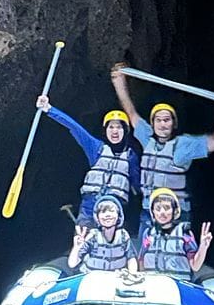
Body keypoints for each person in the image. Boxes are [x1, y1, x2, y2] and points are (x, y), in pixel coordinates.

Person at [109, 62, 214, 234]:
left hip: (176, 214)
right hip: (149, 211)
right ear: (152, 124)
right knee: (148, 257)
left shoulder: (183, 145)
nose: (162, 124)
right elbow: (130, 112)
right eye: (158, 120)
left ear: (173, 124)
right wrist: (119, 82)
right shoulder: (147, 138)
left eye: (167, 120)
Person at [35, 92, 139, 222]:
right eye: (111, 127)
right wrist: (49, 109)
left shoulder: (131, 156)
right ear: (105, 130)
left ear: (126, 130)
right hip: (90, 205)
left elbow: (138, 185)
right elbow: (75, 127)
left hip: (114, 207)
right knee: (83, 240)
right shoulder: (96, 148)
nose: (115, 131)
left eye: (119, 127)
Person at [138, 186, 212, 277]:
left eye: (167, 208)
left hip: (179, 286)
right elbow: (141, 261)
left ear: (175, 211)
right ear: (152, 212)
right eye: (158, 209)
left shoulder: (184, 233)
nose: (162, 212)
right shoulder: (148, 234)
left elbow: (195, 266)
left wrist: (203, 247)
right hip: (154, 284)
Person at [67, 191, 139, 276]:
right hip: (93, 280)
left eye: (111, 211)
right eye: (103, 212)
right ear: (97, 217)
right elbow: (72, 264)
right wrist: (76, 248)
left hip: (116, 279)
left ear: (119, 215)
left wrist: (132, 274)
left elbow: (131, 258)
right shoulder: (92, 236)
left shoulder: (123, 236)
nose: (107, 215)